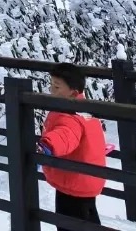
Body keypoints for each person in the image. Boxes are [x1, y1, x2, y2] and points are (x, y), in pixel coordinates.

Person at [38, 63, 108, 226]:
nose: (51, 91)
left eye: (56, 87)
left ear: (73, 92)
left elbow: (65, 135)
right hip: (83, 178)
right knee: (87, 220)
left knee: (68, 223)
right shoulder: (84, 110)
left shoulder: (70, 115)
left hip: (74, 180)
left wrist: (48, 146)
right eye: (51, 85)